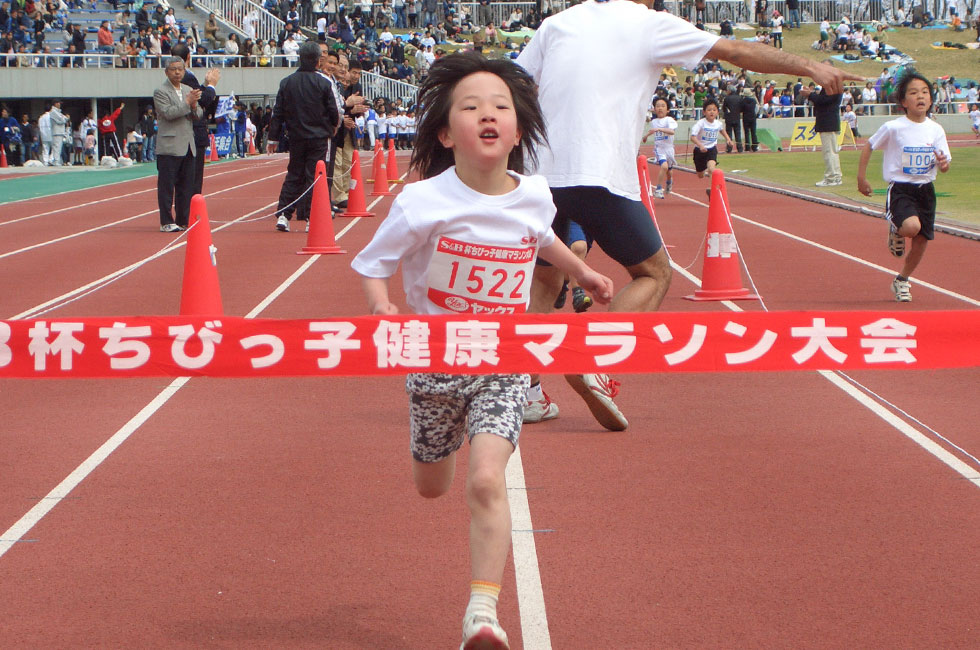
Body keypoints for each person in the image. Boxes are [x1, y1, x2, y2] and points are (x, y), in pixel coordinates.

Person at [350, 52, 613, 650]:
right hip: (435, 363)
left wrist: (583, 271)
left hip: (502, 361)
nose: (487, 115)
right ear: (446, 133)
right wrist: (381, 305)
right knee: (432, 486)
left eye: (501, 106)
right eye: (470, 107)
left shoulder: (535, 193)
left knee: (487, 481)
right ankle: (434, 453)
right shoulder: (421, 203)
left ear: (519, 129)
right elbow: (373, 263)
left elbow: (539, 237)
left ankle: (482, 614)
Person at [515, 0, 861, 429]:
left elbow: (517, 84)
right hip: (599, 173)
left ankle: (524, 392)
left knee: (545, 279)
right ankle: (596, 359)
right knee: (654, 274)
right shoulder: (648, 23)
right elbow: (736, 52)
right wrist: (810, 66)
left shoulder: (557, 23)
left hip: (539, 176)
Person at [857, 72, 951, 303]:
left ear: (931, 99)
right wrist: (862, 178)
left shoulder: (935, 129)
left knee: (921, 240)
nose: (920, 96)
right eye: (913, 92)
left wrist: (943, 163)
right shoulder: (894, 127)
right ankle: (897, 228)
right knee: (911, 227)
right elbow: (869, 146)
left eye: (925, 92)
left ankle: (902, 280)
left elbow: (945, 163)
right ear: (903, 101)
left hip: (926, 190)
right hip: (901, 189)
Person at [267, 41, 339, 231]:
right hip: (319, 138)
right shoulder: (324, 83)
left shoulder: (287, 82)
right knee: (315, 177)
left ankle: (283, 214)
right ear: (318, 61)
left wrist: (273, 138)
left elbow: (278, 112)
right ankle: (310, 217)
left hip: (296, 136)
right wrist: (333, 127)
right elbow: (333, 111)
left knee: (294, 174)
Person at [153, 56, 203, 232]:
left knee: (186, 186)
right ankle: (166, 221)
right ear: (167, 72)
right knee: (167, 186)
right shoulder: (161, 91)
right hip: (169, 146)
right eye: (173, 69)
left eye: (180, 69)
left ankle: (183, 219)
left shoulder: (188, 89)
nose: (177, 72)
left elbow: (198, 115)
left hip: (188, 145)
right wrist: (188, 103)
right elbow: (168, 113)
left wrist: (195, 104)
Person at [172, 42, 220, 195]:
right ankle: (191, 212)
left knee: (182, 178)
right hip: (193, 133)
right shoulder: (186, 76)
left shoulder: (172, 77)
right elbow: (202, 100)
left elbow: (196, 94)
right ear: (188, 57)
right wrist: (212, 85)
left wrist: (205, 84)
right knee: (193, 179)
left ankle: (185, 211)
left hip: (179, 133)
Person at [690, 98, 732, 184]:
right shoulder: (701, 123)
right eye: (709, 110)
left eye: (714, 110)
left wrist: (728, 139)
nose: (712, 112)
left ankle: (712, 190)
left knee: (712, 169)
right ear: (704, 112)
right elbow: (693, 137)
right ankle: (704, 169)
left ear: (717, 112)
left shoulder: (718, 123)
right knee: (700, 175)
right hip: (699, 151)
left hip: (711, 149)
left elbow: (722, 130)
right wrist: (700, 145)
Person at [642, 96, 676, 198]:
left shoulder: (669, 120)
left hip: (669, 148)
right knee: (664, 166)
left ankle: (669, 181)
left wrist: (659, 130)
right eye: (657, 106)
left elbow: (671, 131)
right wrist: (646, 136)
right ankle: (658, 189)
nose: (660, 108)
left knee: (669, 171)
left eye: (662, 106)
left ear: (668, 109)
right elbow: (652, 130)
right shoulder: (654, 121)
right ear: (654, 109)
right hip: (659, 148)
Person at [810, 86, 843, 187]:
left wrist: (810, 95)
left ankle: (831, 177)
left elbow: (824, 101)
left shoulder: (831, 87)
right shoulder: (837, 86)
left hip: (827, 123)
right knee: (833, 151)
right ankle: (836, 176)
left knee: (829, 151)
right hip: (830, 122)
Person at [721, 83, 743, 153]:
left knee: (729, 134)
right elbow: (741, 108)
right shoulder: (739, 97)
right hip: (737, 117)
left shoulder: (727, 98)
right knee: (738, 134)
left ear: (729, 91)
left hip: (729, 118)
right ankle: (740, 148)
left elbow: (724, 108)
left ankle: (729, 148)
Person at [48, 99, 67, 165]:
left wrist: (64, 118)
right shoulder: (53, 112)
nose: (60, 104)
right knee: (57, 147)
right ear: (55, 104)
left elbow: (64, 118)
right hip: (56, 132)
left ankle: (54, 160)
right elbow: (61, 120)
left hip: (59, 132)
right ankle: (56, 161)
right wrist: (64, 118)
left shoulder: (58, 112)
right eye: (58, 103)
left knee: (58, 147)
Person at [740, 85, 759, 152]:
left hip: (746, 117)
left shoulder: (742, 101)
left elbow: (741, 110)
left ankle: (747, 147)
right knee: (753, 132)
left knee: (746, 132)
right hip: (753, 117)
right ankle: (754, 146)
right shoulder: (753, 101)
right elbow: (757, 108)